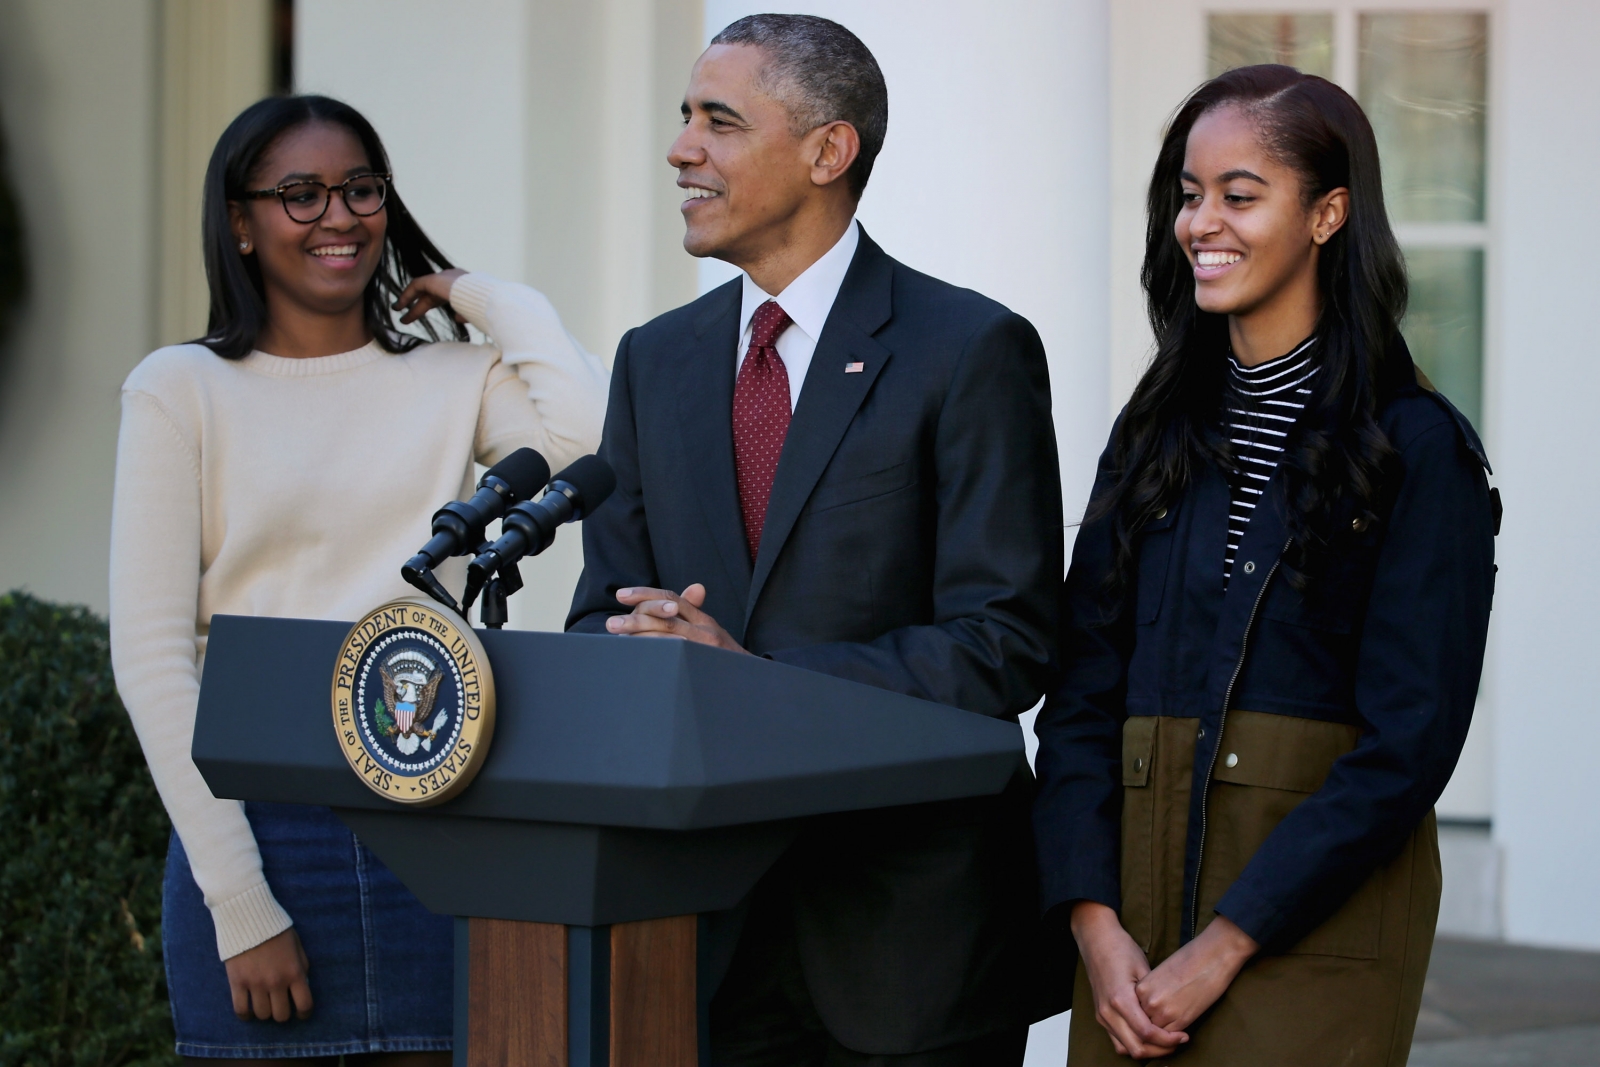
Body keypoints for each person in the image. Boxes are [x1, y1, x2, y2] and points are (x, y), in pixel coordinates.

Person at [565, 13, 1065, 1067]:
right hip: (702, 935)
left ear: (827, 151)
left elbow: (1002, 640)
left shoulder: (970, 349)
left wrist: (756, 680)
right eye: (682, 118)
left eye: (718, 121)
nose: (680, 148)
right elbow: (599, 615)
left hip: (906, 945)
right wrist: (636, 645)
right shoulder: (652, 361)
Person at [109, 95, 607, 1063]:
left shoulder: (452, 376)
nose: (338, 216)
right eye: (298, 194)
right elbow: (154, 656)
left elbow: (585, 434)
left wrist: (479, 292)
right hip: (259, 827)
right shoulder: (180, 387)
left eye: (360, 188)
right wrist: (242, 901)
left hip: (442, 816)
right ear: (241, 224)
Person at [1032, 64, 1498, 1065]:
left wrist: (1228, 939)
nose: (1202, 222)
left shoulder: (1417, 448)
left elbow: (1408, 739)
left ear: (1328, 215)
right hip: (1130, 925)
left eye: (1239, 195)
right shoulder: (1152, 432)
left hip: (1314, 926)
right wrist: (1090, 918)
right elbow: (1079, 693)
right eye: (1189, 196)